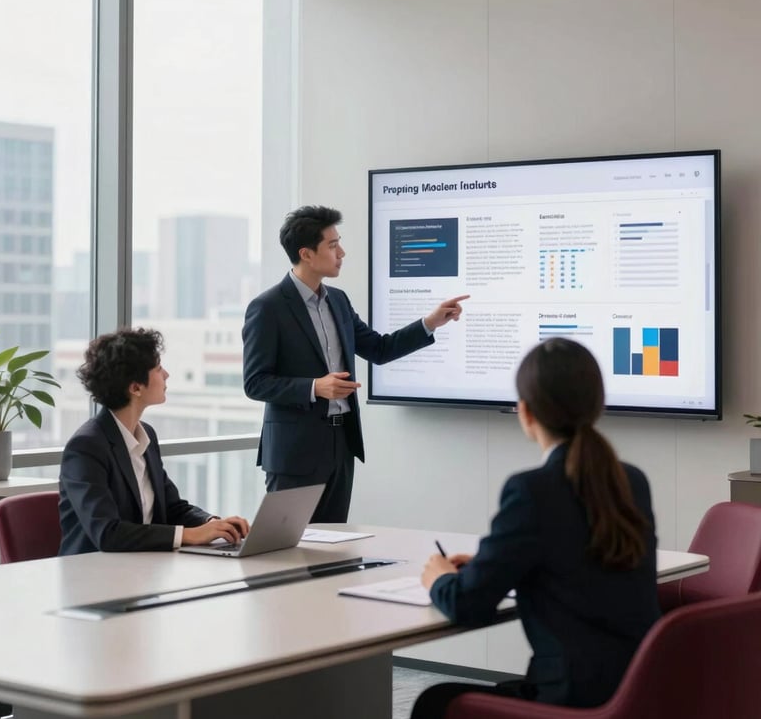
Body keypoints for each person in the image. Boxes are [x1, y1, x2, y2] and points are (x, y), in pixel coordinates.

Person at [412, 338, 660, 716]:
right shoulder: (632, 480)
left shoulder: (531, 490)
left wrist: (439, 579)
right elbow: (574, 558)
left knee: (435, 702)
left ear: (525, 412)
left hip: (570, 701)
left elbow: (467, 605)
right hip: (639, 689)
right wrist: (494, 562)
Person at [242, 204, 468, 523]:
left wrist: (429, 323)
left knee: (332, 550)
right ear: (306, 254)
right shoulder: (267, 308)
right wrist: (315, 387)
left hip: (341, 444)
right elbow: (255, 382)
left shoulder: (338, 300)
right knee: (289, 551)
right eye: (333, 245)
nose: (342, 252)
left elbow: (379, 348)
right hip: (294, 454)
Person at [59, 327, 249, 555]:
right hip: (93, 575)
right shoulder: (86, 447)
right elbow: (108, 533)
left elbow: (172, 508)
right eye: (158, 368)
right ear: (135, 387)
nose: (166, 374)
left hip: (145, 566)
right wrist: (189, 535)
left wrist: (213, 524)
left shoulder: (146, 436)